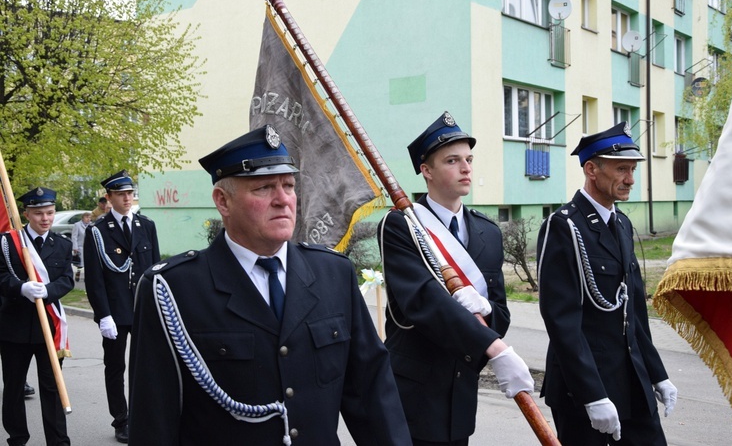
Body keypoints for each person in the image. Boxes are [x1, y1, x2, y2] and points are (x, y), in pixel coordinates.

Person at [128, 125, 410, 445]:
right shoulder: (174, 290)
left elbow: (373, 396)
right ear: (223, 201)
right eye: (264, 188)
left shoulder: (334, 274)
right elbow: (153, 419)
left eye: (288, 185)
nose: (283, 200)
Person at [377, 111, 534, 445]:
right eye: (452, 160)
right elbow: (420, 302)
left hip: (460, 392)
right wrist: (495, 349)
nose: (466, 168)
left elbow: (500, 315)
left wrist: (486, 308)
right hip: (412, 394)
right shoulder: (402, 226)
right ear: (426, 170)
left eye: (469, 159)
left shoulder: (488, 233)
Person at [536, 122, 678, 445]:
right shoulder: (564, 227)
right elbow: (562, 323)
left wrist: (657, 374)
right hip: (585, 390)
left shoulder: (623, 224)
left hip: (632, 381)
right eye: (621, 169)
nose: (630, 179)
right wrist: (592, 395)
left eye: (632, 169)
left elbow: (636, 314)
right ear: (591, 169)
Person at [84, 170, 160, 443]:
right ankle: (121, 420)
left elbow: (153, 271)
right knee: (115, 367)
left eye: (130, 193)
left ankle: (145, 416)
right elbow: (95, 279)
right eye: (121, 194)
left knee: (146, 367)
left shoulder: (146, 225)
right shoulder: (98, 231)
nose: (128, 198)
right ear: (109, 198)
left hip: (143, 309)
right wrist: (103, 315)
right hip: (115, 313)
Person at [0, 187, 73, 446]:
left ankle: (58, 441)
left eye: (50, 213)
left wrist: (49, 290)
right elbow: (1, 276)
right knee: (14, 388)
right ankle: (17, 438)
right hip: (14, 328)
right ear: (26, 214)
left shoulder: (62, 244)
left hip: (48, 330)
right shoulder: (8, 243)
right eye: (39, 213)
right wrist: (21, 287)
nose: (45, 219)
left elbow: (67, 279)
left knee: (52, 389)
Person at [70, 211, 91, 282]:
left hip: (89, 247)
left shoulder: (91, 225)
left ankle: (87, 276)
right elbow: (74, 236)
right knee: (80, 263)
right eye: (86, 217)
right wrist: (75, 247)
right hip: (80, 246)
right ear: (82, 218)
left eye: (89, 217)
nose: (88, 219)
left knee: (88, 263)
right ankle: (78, 273)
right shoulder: (77, 225)